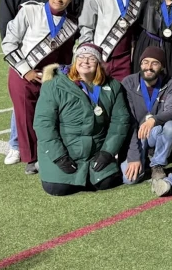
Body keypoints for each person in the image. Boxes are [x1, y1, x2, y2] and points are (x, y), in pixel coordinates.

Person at [2, 0, 80, 174]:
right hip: (24, 75)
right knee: (26, 117)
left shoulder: (72, 23)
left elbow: (66, 57)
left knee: (51, 117)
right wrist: (25, 70)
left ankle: (50, 154)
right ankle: (31, 159)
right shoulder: (30, 11)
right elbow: (9, 43)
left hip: (50, 77)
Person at [33, 44, 130, 196]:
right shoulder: (53, 86)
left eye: (91, 58)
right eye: (81, 57)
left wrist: (107, 152)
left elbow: (120, 122)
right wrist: (59, 157)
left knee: (107, 182)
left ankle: (88, 172)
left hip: (95, 152)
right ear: (74, 61)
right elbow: (43, 124)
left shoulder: (113, 86)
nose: (85, 61)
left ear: (98, 63)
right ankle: (52, 164)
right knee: (58, 188)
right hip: (66, 151)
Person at [120, 46, 172, 184]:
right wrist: (134, 156)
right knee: (130, 180)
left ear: (162, 66)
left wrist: (154, 120)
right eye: (145, 62)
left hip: (156, 133)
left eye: (155, 63)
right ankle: (143, 158)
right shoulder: (129, 82)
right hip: (136, 135)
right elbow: (128, 121)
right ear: (140, 64)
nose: (149, 67)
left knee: (171, 126)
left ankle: (157, 164)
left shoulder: (170, 82)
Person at [79, 0, 143, 81]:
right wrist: (87, 55)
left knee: (121, 95)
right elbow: (86, 27)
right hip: (100, 55)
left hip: (125, 59)